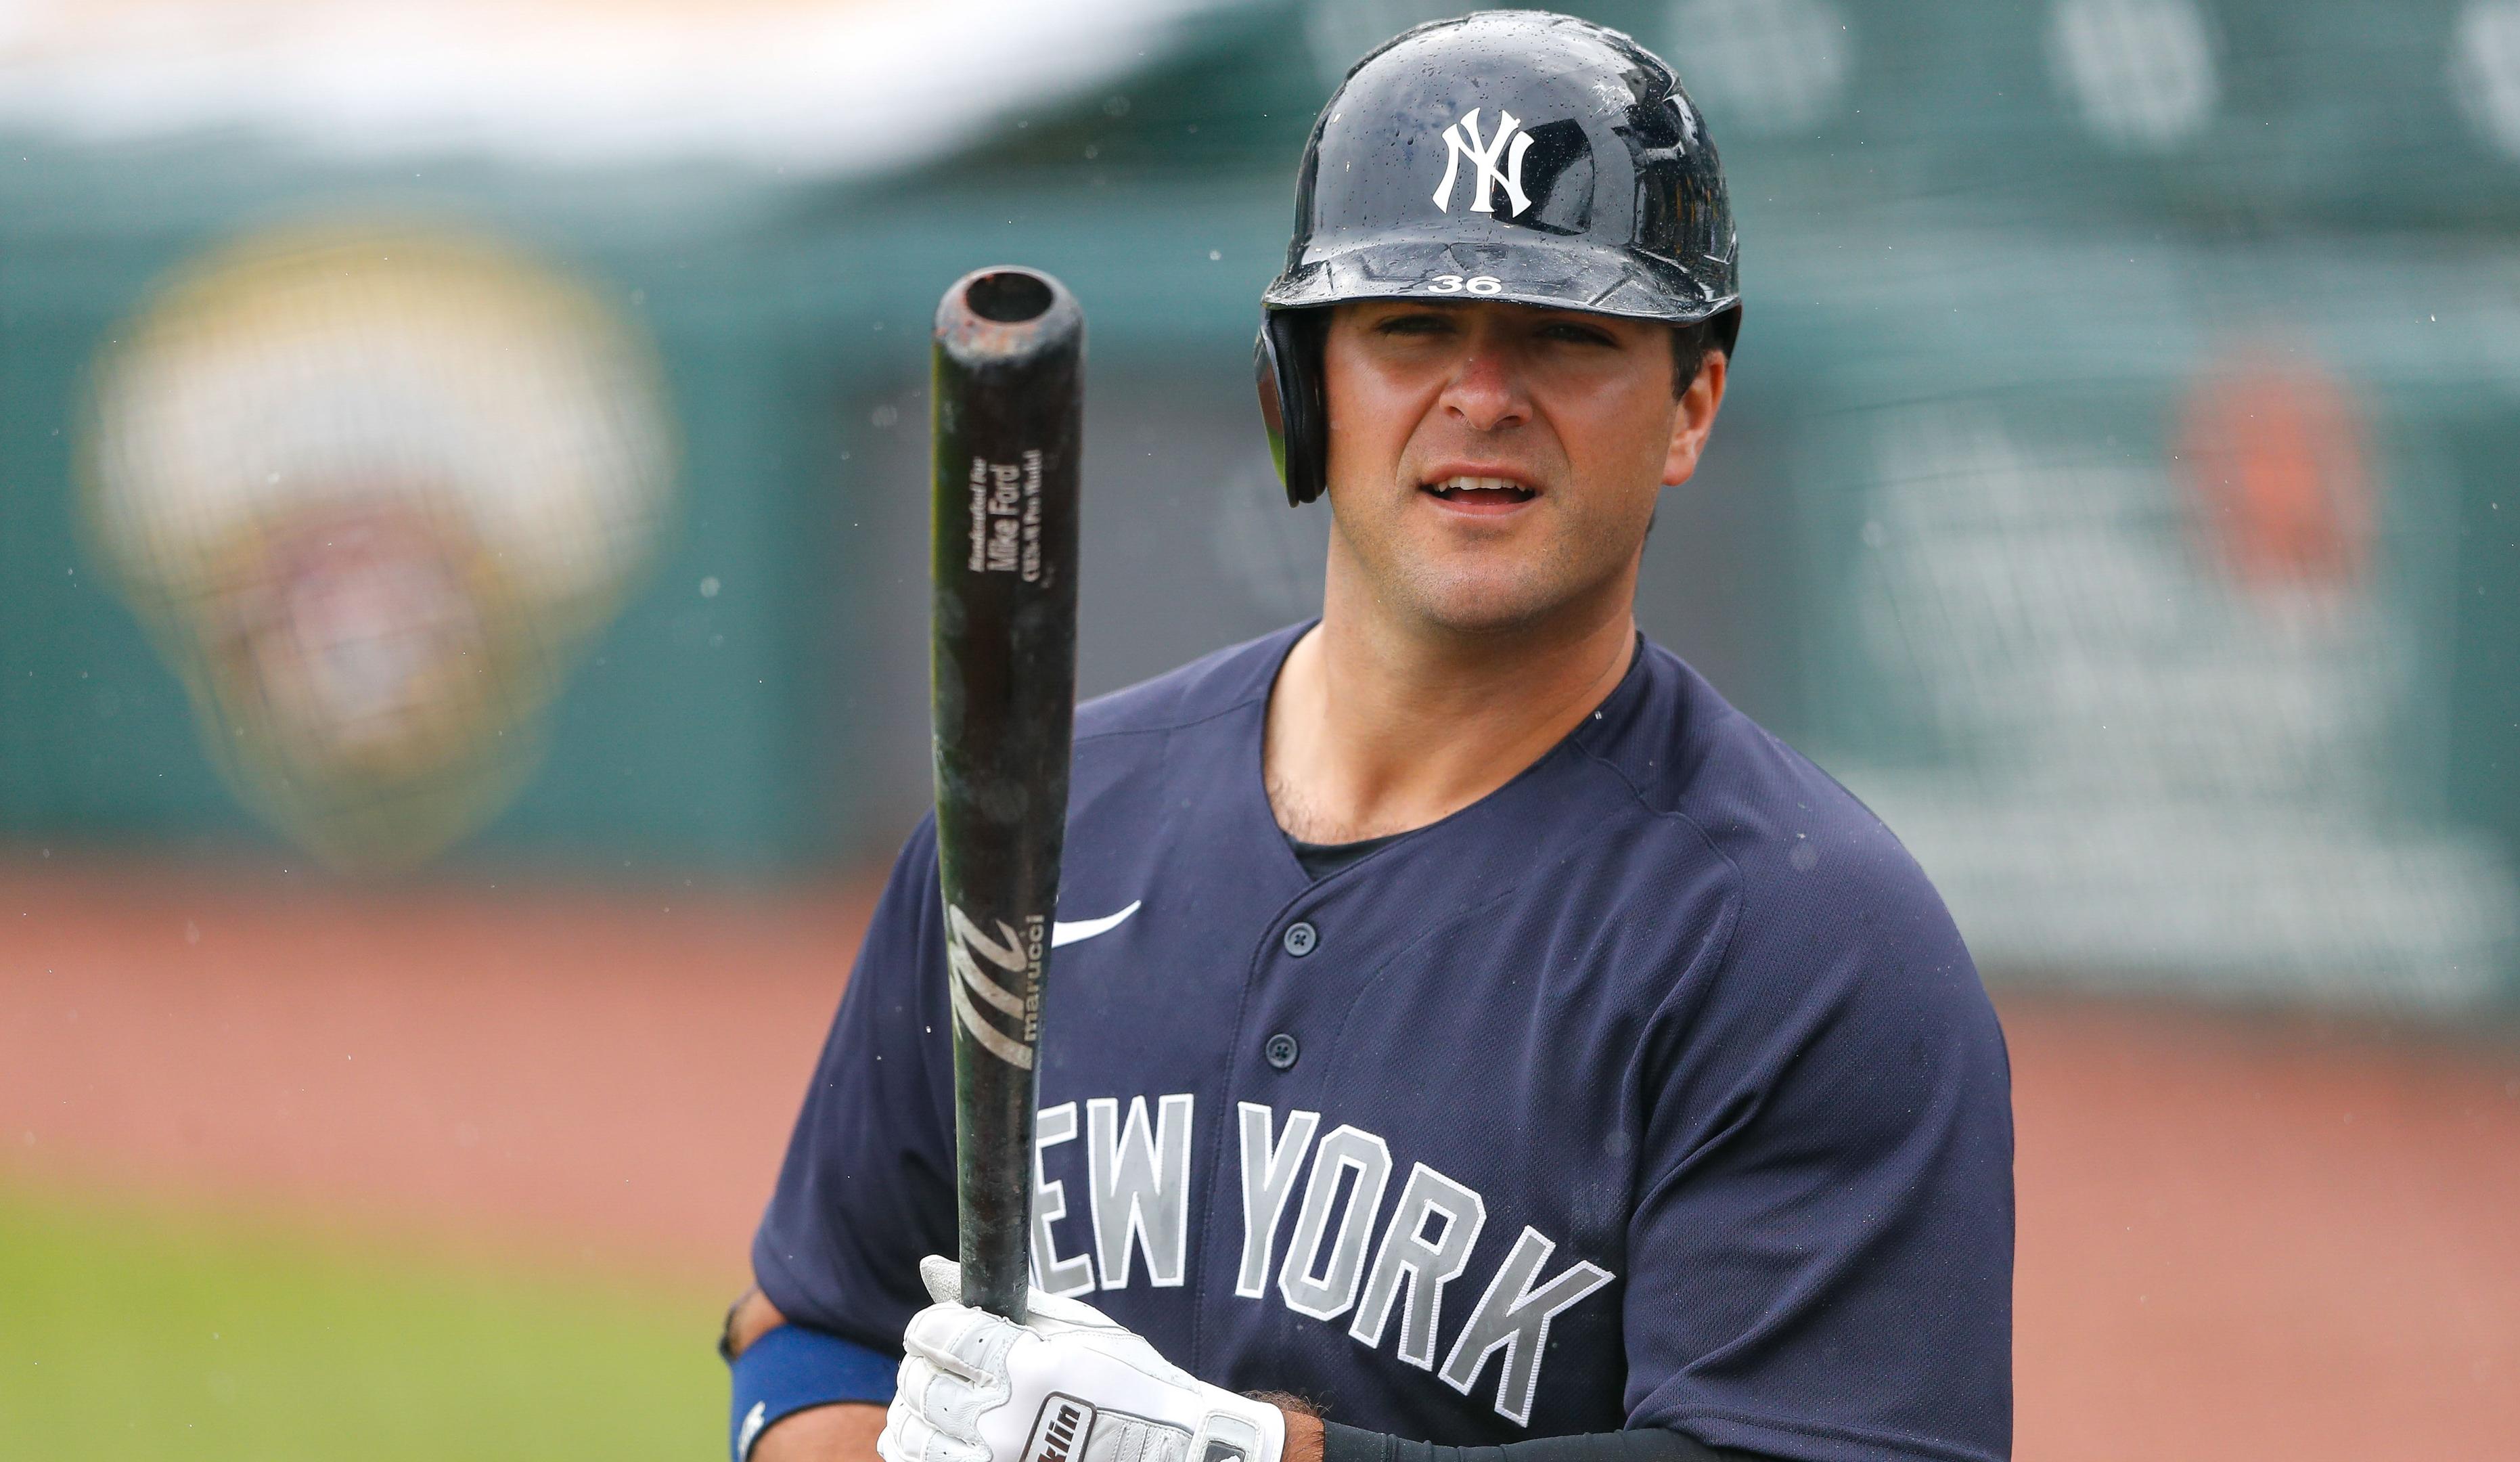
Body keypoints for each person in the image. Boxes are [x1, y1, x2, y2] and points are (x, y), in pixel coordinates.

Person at [723, 12, 2012, 1462]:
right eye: (1412, 328)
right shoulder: (1047, 828)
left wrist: (1245, 1459)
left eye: (1566, 336)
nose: (1483, 398)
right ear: (1301, 387)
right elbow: (818, 1330)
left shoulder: (1804, 942)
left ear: (1690, 402)